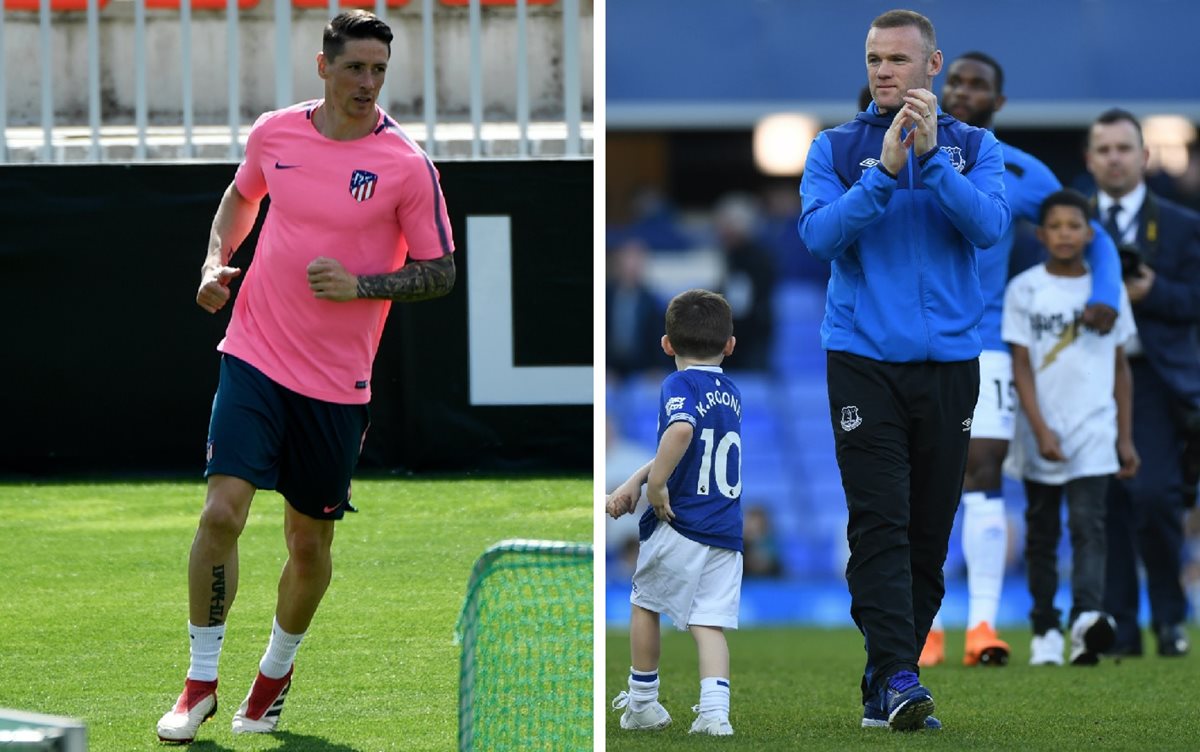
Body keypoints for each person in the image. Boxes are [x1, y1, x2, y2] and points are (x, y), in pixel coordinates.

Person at [156, 11, 456, 743]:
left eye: (379, 70)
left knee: (308, 547)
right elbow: (241, 197)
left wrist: (362, 286)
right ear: (323, 67)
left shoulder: (406, 166)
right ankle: (198, 683)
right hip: (254, 353)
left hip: (335, 386)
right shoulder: (275, 133)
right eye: (355, 67)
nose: (368, 83)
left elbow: (441, 271)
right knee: (222, 513)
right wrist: (211, 262)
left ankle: (273, 679)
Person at [797, 9, 1010, 731]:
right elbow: (820, 237)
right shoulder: (835, 146)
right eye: (873, 59)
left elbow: (989, 228)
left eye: (896, 59)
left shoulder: (975, 146)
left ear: (932, 65)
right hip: (861, 360)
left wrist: (933, 165)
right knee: (880, 523)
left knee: (929, 536)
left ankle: (883, 682)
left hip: (950, 362)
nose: (882, 72)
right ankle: (898, 676)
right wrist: (885, 173)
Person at [919, 51, 1122, 668]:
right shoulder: (901, 146)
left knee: (981, 472)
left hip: (984, 341)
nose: (962, 90)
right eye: (954, 79)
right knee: (918, 485)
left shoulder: (1016, 169)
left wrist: (1107, 294)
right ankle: (923, 628)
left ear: (998, 103)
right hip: (909, 340)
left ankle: (981, 625)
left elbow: (1096, 234)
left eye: (977, 85)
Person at [1002, 189, 1138, 666]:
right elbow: (1020, 364)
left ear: (1089, 234)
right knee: (1041, 533)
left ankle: (1086, 621)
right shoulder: (1024, 289)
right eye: (1055, 226)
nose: (1064, 234)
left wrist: (1124, 436)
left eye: (1074, 226)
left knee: (1088, 527)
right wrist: (1039, 428)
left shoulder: (1108, 289)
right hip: (1043, 428)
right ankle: (1043, 627)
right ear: (1041, 234)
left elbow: (1121, 366)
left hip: (1095, 428)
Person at [1087, 108, 1200, 658]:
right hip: (1085, 382)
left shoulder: (1181, 225)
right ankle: (1121, 631)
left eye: (1123, 148)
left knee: (1155, 497)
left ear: (1145, 156)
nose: (1114, 158)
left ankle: (1170, 615)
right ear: (1089, 159)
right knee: (1103, 504)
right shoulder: (1068, 224)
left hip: (1153, 378)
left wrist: (1152, 293)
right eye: (1104, 149)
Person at [606, 289, 743, 737]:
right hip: (725, 528)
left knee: (644, 604)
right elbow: (689, 444)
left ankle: (643, 701)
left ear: (667, 344)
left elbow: (681, 432)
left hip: (682, 523)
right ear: (729, 346)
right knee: (710, 623)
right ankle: (714, 713)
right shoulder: (732, 393)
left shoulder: (678, 384)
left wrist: (657, 486)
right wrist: (636, 480)